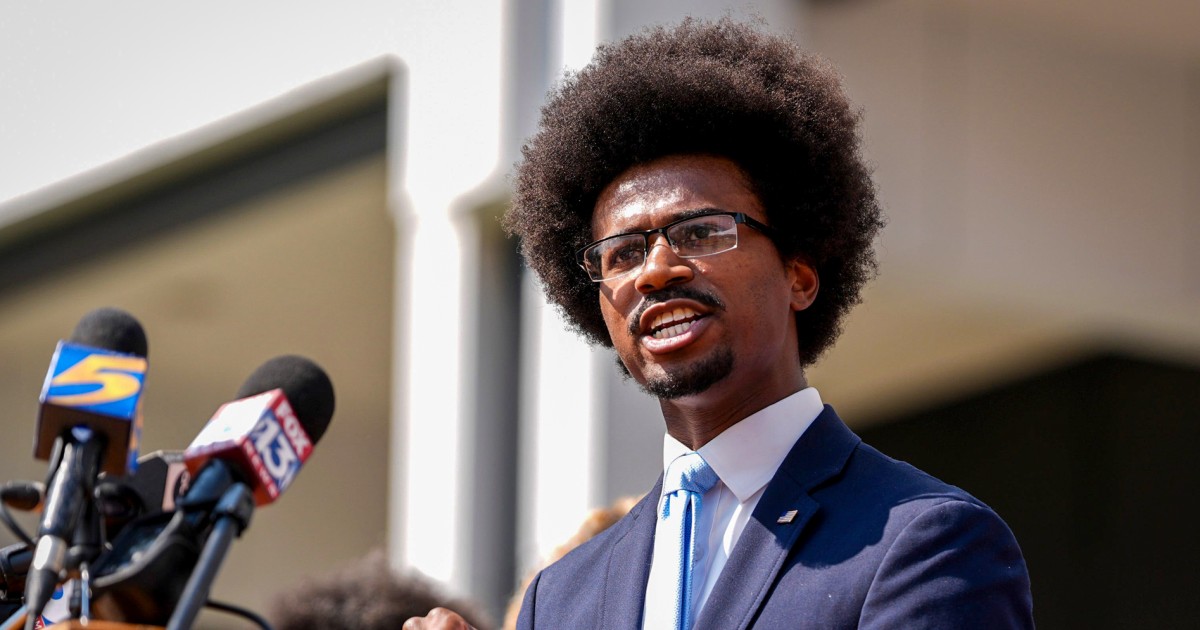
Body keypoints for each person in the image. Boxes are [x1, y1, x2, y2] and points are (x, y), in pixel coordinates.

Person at [407, 17, 1033, 629]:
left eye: (702, 232)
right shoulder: (560, 597)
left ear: (799, 275)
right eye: (621, 253)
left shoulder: (927, 541)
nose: (655, 271)